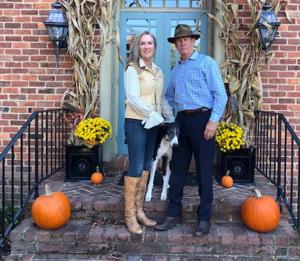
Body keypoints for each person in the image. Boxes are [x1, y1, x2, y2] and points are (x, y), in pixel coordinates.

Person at [155, 24, 228, 237]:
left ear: (193, 41)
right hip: (181, 122)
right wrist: (168, 119)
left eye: (186, 39)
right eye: (178, 40)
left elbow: (220, 96)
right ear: (175, 45)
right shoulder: (175, 70)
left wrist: (213, 122)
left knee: (205, 171)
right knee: (177, 169)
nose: (182, 43)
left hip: (203, 120)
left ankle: (204, 218)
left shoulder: (207, 63)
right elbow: (168, 97)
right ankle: (173, 213)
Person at [124, 31, 174, 235]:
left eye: (150, 43)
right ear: (138, 47)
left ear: (155, 47)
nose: (146, 46)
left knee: (146, 164)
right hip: (137, 121)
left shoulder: (158, 71)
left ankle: (140, 212)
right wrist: (154, 114)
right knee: (136, 166)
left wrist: (169, 118)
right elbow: (133, 98)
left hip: (153, 124)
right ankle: (129, 216)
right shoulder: (132, 69)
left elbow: (160, 99)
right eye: (143, 43)